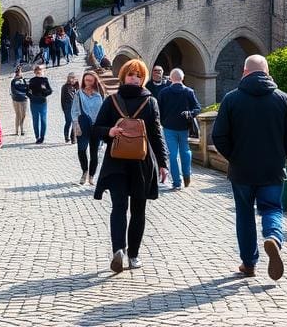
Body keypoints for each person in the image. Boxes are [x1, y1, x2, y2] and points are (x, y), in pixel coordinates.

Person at [212, 54, 287, 280]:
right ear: (267, 72)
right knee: (272, 208)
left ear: (244, 72)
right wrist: (281, 155)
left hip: (242, 170)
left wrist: (234, 157)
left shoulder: (231, 99)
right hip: (272, 169)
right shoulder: (282, 98)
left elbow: (219, 136)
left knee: (244, 214)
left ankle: (249, 263)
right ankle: (273, 238)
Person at [93, 58, 169, 273]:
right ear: (123, 76)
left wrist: (163, 162)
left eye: (138, 75)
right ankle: (121, 251)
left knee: (138, 210)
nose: (134, 79)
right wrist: (109, 131)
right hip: (118, 163)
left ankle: (131, 253)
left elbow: (156, 134)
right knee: (120, 207)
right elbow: (97, 127)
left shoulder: (150, 102)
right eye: (130, 75)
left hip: (140, 164)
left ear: (143, 78)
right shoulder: (112, 101)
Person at [157, 67, 201, 189]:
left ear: (170, 79)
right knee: (185, 151)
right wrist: (190, 113)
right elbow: (197, 108)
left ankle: (176, 182)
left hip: (168, 127)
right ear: (183, 78)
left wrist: (162, 122)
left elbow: (158, 111)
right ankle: (186, 175)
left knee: (172, 154)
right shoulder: (189, 92)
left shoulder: (163, 92)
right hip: (184, 127)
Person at [73, 70, 107, 185]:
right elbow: (74, 110)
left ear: (94, 81)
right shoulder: (79, 93)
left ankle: (91, 176)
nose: (87, 82)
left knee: (94, 152)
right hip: (83, 124)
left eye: (90, 80)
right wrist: (76, 124)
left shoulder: (100, 94)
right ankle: (84, 171)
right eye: (86, 80)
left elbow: (104, 111)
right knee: (81, 149)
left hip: (96, 126)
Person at [27, 64, 53, 144]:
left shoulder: (45, 80)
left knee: (43, 120)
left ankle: (42, 137)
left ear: (42, 71)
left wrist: (44, 93)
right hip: (34, 102)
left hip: (42, 102)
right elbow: (27, 91)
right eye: (37, 70)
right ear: (35, 72)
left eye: (40, 70)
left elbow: (50, 91)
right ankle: (37, 136)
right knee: (35, 120)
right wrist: (31, 97)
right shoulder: (32, 80)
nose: (39, 71)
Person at [9, 65, 30, 136]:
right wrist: (23, 92)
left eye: (20, 72)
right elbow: (14, 91)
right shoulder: (13, 81)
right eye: (19, 72)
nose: (20, 73)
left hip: (24, 99)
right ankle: (18, 130)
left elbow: (27, 89)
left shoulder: (24, 81)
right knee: (18, 114)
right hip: (16, 99)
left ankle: (21, 126)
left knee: (23, 115)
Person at [61, 71, 80, 144]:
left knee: (74, 122)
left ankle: (73, 138)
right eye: (71, 78)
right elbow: (62, 99)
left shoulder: (76, 87)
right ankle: (66, 137)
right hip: (67, 108)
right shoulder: (65, 87)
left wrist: (78, 85)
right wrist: (64, 108)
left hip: (75, 108)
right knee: (68, 122)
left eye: (73, 78)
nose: (72, 80)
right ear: (68, 79)